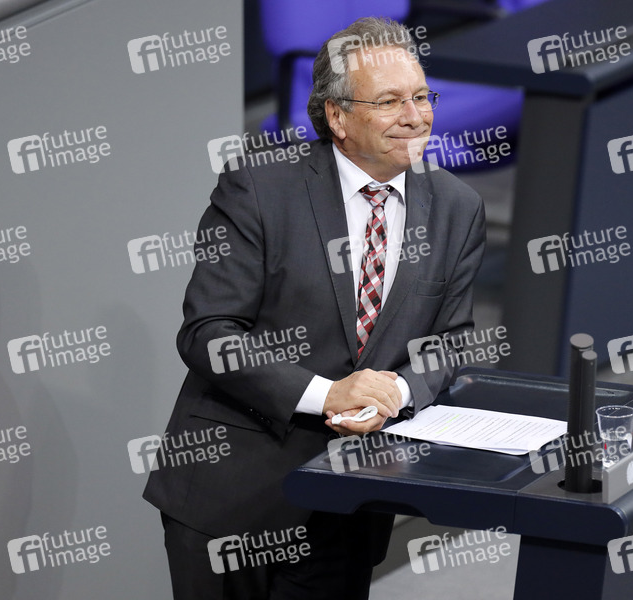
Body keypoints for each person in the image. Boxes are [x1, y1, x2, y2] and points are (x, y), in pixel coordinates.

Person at [144, 16, 486, 600]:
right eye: (389, 101)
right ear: (338, 117)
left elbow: (451, 341)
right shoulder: (258, 188)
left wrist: (397, 391)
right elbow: (208, 333)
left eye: (422, 96)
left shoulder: (457, 207)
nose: (415, 116)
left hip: (348, 507)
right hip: (232, 497)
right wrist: (327, 394)